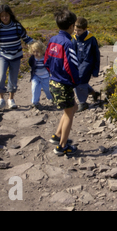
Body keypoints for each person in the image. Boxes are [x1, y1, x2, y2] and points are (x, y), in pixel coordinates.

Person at [0, 4, 34, 109]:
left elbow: (26, 38)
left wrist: (37, 45)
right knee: (1, 77)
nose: (4, 18)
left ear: (10, 15)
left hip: (16, 56)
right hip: (3, 56)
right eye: (2, 16)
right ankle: (1, 99)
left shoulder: (17, 26)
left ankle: (11, 99)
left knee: (13, 79)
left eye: (6, 15)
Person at [44, 8, 80, 156]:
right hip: (63, 83)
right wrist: (75, 82)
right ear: (71, 26)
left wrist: (53, 75)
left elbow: (46, 61)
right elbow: (70, 65)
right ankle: (62, 146)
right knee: (69, 113)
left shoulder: (53, 40)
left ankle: (57, 135)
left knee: (71, 108)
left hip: (53, 81)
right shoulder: (68, 43)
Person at [72, 17, 101, 112]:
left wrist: (96, 70)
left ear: (85, 29)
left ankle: (83, 103)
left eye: (79, 31)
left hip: (87, 65)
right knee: (81, 82)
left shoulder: (91, 39)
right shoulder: (74, 38)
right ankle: (94, 93)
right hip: (77, 64)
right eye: (75, 30)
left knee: (79, 82)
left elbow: (96, 55)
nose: (76, 32)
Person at [28, 40, 53, 109]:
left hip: (45, 76)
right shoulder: (32, 58)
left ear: (42, 50)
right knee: (35, 88)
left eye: (37, 51)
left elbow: (49, 64)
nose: (35, 53)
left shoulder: (45, 57)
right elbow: (30, 64)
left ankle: (50, 98)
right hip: (36, 76)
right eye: (34, 51)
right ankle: (35, 102)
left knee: (47, 89)